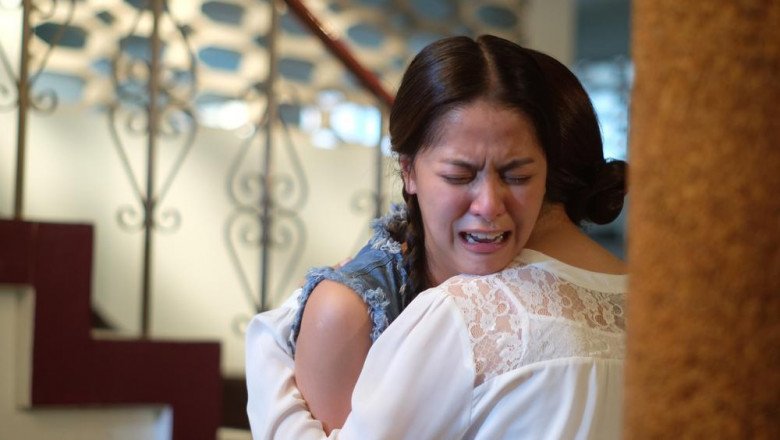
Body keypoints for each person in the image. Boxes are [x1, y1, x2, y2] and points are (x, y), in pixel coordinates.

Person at [246, 34, 628, 438]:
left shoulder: (508, 303)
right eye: (459, 176)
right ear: (408, 171)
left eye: (517, 175)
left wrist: (267, 348)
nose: (489, 205)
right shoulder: (347, 310)